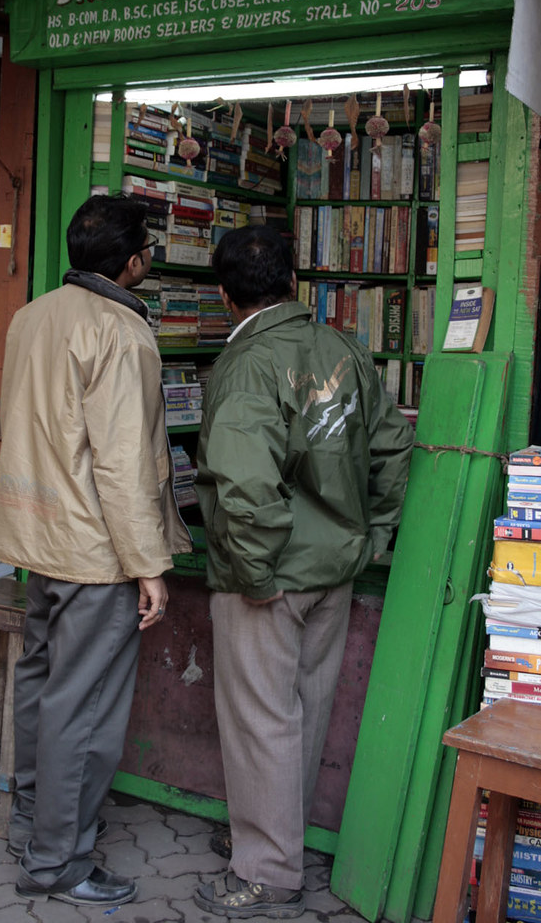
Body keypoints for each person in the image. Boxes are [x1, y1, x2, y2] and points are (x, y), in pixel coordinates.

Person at [194, 225, 414, 919]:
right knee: (305, 707)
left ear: (225, 295)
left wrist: (254, 571)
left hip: (272, 570)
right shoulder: (343, 348)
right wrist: (371, 534)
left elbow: (244, 481)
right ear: (294, 282)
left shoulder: (246, 365)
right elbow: (392, 444)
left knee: (261, 718)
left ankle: (265, 867)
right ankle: (280, 837)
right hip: (333, 565)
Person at [0, 193, 191, 907]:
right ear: (134, 262)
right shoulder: (123, 333)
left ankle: (31, 825)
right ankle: (57, 862)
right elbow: (123, 463)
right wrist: (148, 566)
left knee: (43, 688)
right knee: (86, 708)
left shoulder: (30, 316)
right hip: (93, 550)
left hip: (35, 536)